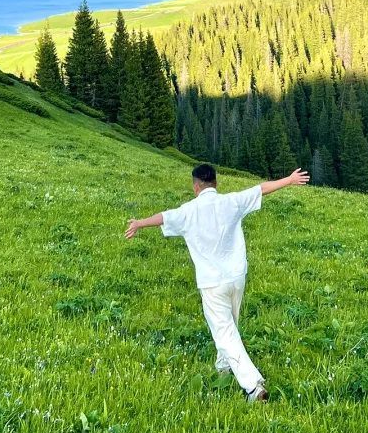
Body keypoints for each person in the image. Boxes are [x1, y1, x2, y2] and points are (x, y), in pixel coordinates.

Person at [125, 162, 310, 402]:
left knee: (224, 332)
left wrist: (139, 223)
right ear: (216, 183)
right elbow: (261, 189)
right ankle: (224, 365)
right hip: (236, 277)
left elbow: (163, 217)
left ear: (195, 187)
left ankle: (253, 386)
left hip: (212, 282)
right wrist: (289, 179)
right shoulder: (231, 201)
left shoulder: (189, 211)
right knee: (230, 325)